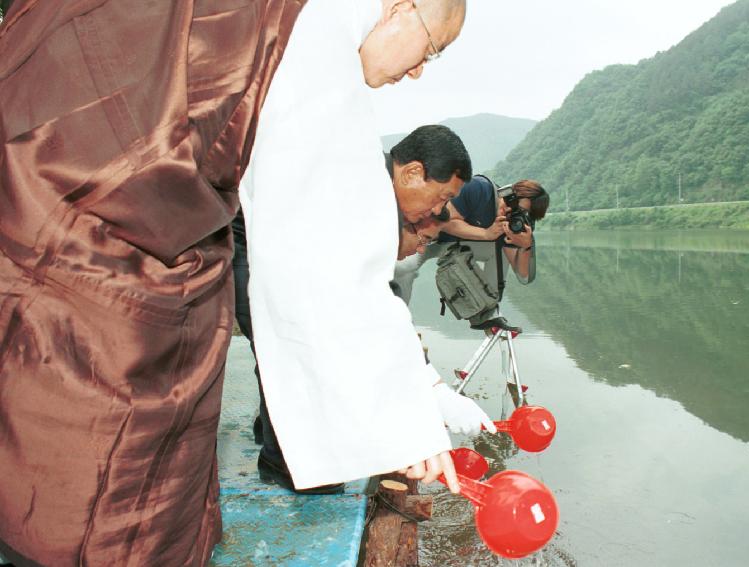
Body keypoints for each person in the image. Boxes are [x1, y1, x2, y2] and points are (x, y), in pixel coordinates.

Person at [0, 2, 308, 565]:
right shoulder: (262, 27)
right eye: (430, 46)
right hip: (93, 296)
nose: (418, 70)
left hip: (104, 291)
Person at [242, 119, 497, 491]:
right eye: (441, 198)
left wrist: (430, 386)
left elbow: (378, 300)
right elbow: (363, 308)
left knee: (295, 346)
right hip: (245, 241)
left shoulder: (377, 189)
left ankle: (277, 439)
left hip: (278, 247)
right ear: (412, 173)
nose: (438, 210)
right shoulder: (363, 192)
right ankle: (287, 464)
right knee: (292, 344)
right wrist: (430, 392)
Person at [392, 175, 550, 330]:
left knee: (499, 251)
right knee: (404, 267)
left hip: (457, 245)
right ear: (510, 194)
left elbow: (523, 274)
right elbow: (445, 222)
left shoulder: (519, 224)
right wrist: (486, 234)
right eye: (515, 206)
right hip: (426, 235)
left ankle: (487, 314)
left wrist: (524, 246)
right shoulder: (479, 189)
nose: (512, 212)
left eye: (523, 213)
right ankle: (396, 321)